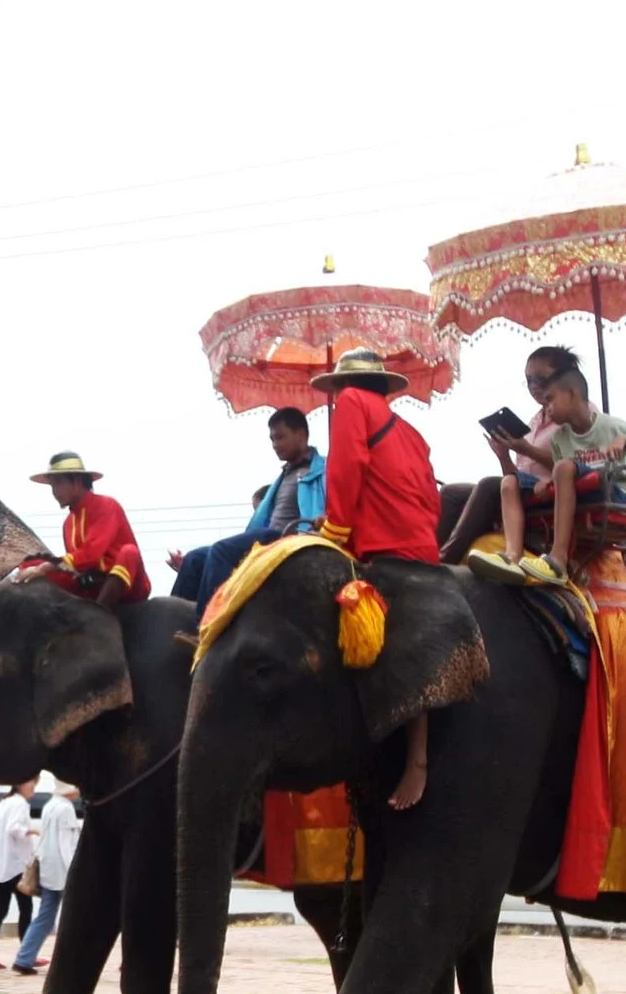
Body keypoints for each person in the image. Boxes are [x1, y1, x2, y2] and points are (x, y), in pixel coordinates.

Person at [312, 348, 445, 810]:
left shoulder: (350, 402)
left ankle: (414, 760)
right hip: (417, 544)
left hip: (378, 546)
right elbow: (430, 498)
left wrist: (334, 531)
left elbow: (348, 467)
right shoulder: (409, 429)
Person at [469, 358, 626, 587]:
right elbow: (560, 477)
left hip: (616, 492)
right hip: (584, 491)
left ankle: (558, 560)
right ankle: (512, 556)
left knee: (565, 466)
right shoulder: (560, 438)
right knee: (509, 482)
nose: (546, 408)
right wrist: (545, 486)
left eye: (550, 400)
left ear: (572, 394)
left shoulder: (609, 426)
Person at [438, 344, 584, 562]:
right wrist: (504, 455)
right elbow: (515, 477)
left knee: (488, 485)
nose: (534, 386)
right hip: (523, 492)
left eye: (540, 379)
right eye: (529, 381)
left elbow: (577, 464)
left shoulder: (579, 413)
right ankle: (430, 552)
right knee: (451, 492)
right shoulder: (535, 422)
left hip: (552, 494)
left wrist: (526, 449)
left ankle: (446, 558)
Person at [168, 407, 325, 605]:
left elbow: (331, 508)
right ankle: (176, 624)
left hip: (287, 538)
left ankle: (206, 628)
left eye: (281, 437)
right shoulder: (285, 475)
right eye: (272, 439)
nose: (275, 445)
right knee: (194, 559)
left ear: (301, 434)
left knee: (220, 552)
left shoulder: (322, 471)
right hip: (265, 535)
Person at [24, 453, 150, 608]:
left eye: (58, 484)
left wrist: (49, 566)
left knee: (129, 552)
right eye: (52, 486)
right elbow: (74, 566)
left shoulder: (106, 505)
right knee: (30, 565)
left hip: (125, 584)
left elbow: (91, 554)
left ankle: (99, 614)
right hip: (91, 586)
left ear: (76, 481)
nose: (54, 492)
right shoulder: (68, 524)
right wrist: (39, 568)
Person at [11, 782, 80, 975]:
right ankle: (70, 963)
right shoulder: (66, 808)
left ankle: (24, 957)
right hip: (64, 872)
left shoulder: (51, 805)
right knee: (74, 918)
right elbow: (66, 845)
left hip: (49, 869)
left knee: (45, 918)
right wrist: (74, 872)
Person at [0, 782, 39, 969]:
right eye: (31, 782)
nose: (34, 787)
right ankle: (26, 953)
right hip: (15, 866)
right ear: (20, 784)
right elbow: (14, 828)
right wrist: (30, 831)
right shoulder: (19, 803)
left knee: (0, 909)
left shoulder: (5, 802)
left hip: (1, 866)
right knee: (25, 909)